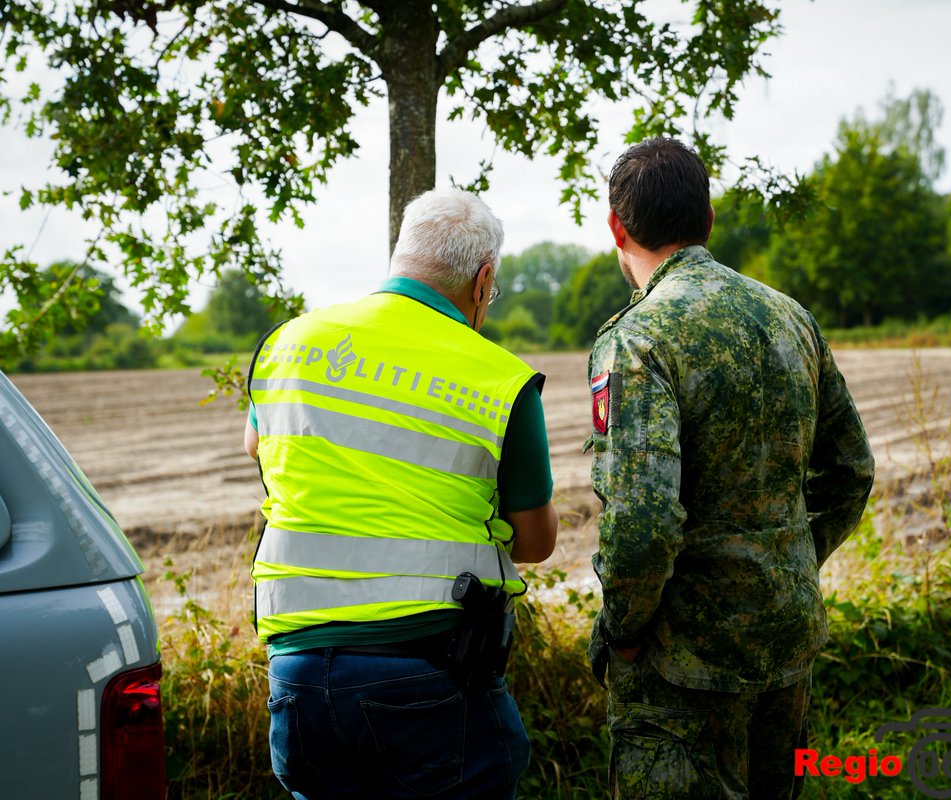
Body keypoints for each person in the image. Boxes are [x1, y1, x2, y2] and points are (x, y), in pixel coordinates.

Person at [243, 188, 558, 799]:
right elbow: (536, 543)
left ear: (400, 256)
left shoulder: (287, 343)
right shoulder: (500, 378)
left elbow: (255, 444)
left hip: (299, 674)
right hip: (430, 676)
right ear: (483, 280)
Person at [586, 137, 875, 799]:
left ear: (616, 228)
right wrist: (785, 560)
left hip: (681, 659)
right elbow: (851, 470)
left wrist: (624, 629)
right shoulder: (789, 315)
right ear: (708, 221)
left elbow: (642, 520)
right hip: (785, 639)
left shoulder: (637, 337)